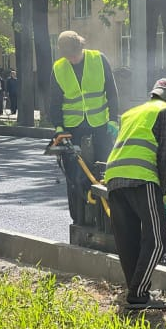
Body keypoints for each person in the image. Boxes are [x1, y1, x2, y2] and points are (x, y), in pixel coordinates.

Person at [104, 78, 166, 310]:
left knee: (128, 239)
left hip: (114, 175)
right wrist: (163, 192)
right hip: (141, 177)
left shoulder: (131, 113)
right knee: (158, 239)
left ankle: (137, 293)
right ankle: (137, 294)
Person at [49, 30, 120, 224]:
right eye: (68, 56)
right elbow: (55, 102)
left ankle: (107, 217)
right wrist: (58, 127)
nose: (72, 59)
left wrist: (113, 119)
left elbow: (112, 92)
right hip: (73, 129)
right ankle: (79, 218)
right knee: (75, 175)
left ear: (81, 46)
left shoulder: (98, 59)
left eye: (74, 55)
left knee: (105, 170)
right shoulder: (59, 67)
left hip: (100, 125)